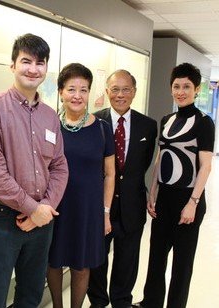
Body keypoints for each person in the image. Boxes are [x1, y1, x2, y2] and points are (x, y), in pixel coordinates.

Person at [0, 33, 69, 308]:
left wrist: (45, 208)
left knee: (30, 295)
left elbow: (60, 165)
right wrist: (32, 209)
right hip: (2, 221)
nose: (33, 68)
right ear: (12, 65)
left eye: (40, 63)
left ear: (46, 69)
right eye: (26, 61)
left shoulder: (51, 115)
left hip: (41, 221)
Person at [135, 62, 215, 308]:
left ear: (197, 90)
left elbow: (205, 166)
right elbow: (161, 157)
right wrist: (154, 191)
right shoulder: (167, 120)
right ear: (171, 88)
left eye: (187, 87)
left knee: (182, 263)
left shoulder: (204, 122)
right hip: (165, 198)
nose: (181, 91)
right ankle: (151, 302)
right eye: (176, 86)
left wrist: (193, 203)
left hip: (188, 200)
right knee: (156, 257)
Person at [47, 63, 116, 308]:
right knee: (53, 261)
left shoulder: (102, 129)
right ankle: (57, 306)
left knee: (81, 263)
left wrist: (105, 212)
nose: (77, 95)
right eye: (71, 89)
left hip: (87, 208)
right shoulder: (50, 126)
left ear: (89, 93)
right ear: (60, 92)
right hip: (56, 205)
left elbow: (110, 174)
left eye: (83, 90)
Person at [87, 70, 157, 308]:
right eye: (115, 89)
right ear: (107, 92)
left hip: (132, 206)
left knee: (127, 261)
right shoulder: (93, 122)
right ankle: (98, 302)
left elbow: (142, 165)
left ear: (134, 92)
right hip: (100, 207)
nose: (120, 95)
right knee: (97, 261)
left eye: (126, 89)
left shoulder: (148, 126)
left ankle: (121, 302)